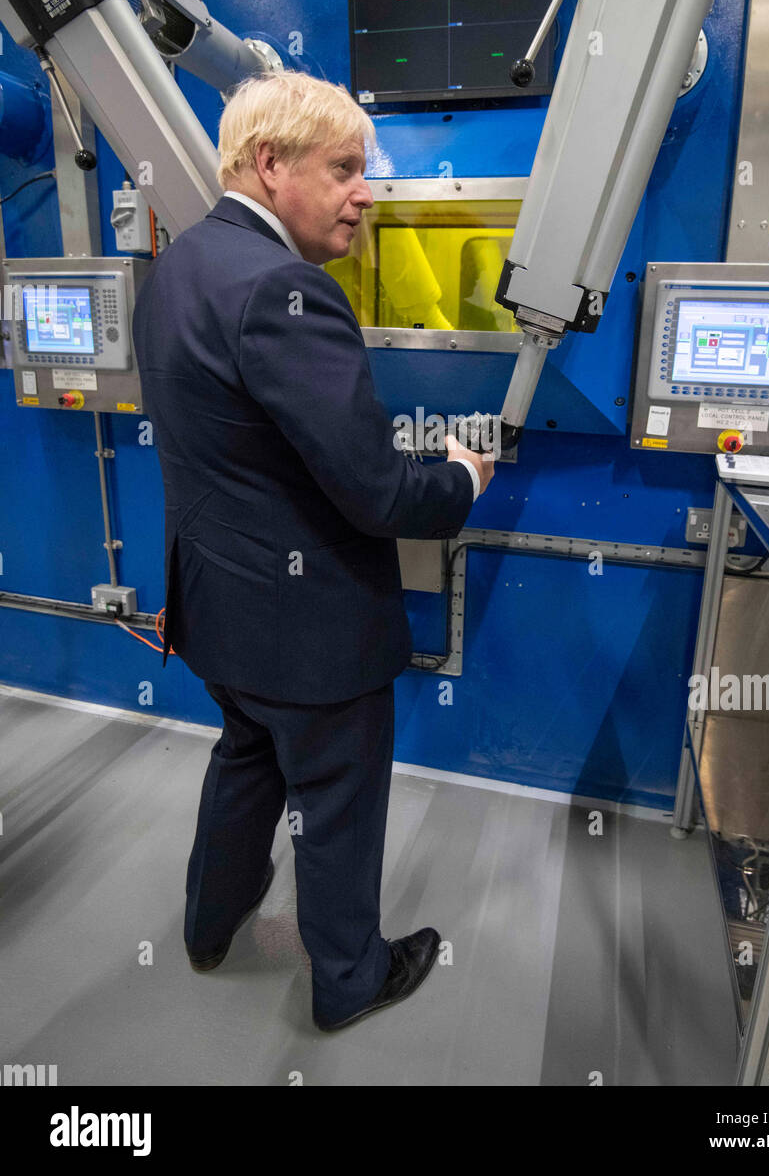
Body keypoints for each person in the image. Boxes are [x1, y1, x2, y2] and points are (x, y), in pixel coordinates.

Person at [132, 71, 494, 1032]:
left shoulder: (178, 265)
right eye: (343, 170)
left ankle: (210, 926)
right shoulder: (287, 290)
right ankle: (348, 979)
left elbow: (227, 450)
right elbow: (376, 491)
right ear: (268, 164)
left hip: (219, 613)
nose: (364, 192)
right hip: (310, 636)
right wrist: (458, 478)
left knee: (245, 760)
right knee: (334, 800)